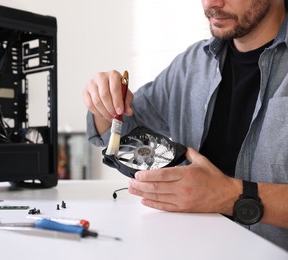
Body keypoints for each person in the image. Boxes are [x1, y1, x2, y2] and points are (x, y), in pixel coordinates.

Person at [83, 0, 288, 250]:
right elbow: (125, 134)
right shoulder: (191, 64)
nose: (212, 4)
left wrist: (232, 196)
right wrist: (104, 102)